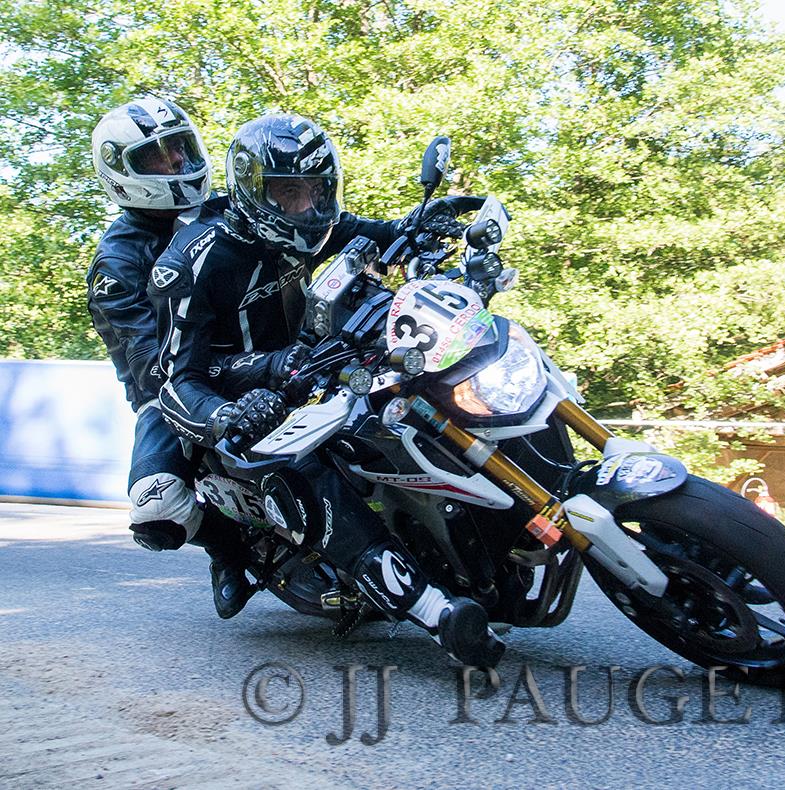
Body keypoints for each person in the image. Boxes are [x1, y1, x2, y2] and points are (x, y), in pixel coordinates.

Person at [149, 113, 503, 666]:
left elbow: (384, 237)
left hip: (319, 359)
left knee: (414, 387)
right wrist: (225, 417)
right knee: (300, 467)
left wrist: (428, 225)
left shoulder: (315, 221)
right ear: (252, 190)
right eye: (289, 193)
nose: (307, 206)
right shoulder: (192, 263)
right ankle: (435, 612)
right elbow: (176, 380)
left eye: (317, 190)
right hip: (240, 393)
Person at [88, 97, 304, 620]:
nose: (178, 166)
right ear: (121, 171)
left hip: (275, 352)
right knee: (154, 508)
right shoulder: (117, 265)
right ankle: (227, 546)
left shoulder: (227, 208)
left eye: (181, 150)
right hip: (179, 391)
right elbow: (158, 365)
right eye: (158, 158)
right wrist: (249, 371)